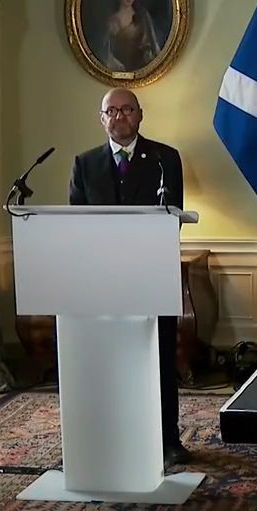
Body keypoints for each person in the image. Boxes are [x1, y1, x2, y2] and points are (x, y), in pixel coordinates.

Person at [68, 87, 189, 465]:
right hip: (104, 282)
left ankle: (168, 440)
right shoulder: (84, 164)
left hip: (152, 275)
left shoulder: (165, 159)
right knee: (111, 362)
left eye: (127, 110)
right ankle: (114, 439)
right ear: (101, 118)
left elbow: (173, 215)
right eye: (111, 111)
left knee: (160, 358)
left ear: (140, 115)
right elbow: (76, 222)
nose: (119, 117)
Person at [103, 0, 161, 72]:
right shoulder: (112, 20)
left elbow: (152, 45)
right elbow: (106, 53)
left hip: (142, 70)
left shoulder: (143, 16)